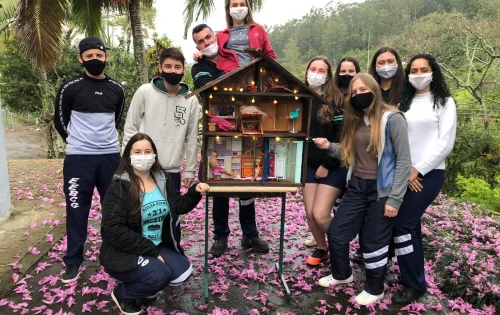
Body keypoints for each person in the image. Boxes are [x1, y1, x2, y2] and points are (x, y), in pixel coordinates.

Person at [315, 73, 411, 305]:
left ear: (374, 90)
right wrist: (329, 147)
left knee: (373, 241)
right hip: (357, 186)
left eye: (362, 90)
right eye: (354, 92)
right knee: (337, 232)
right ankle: (342, 274)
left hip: (382, 190)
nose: (358, 95)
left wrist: (395, 200)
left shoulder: (393, 119)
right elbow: (348, 155)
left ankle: (375, 288)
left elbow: (403, 161)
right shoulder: (356, 119)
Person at [100, 133, 209, 315]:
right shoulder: (120, 186)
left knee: (183, 272)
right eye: (138, 152)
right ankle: (123, 294)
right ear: (128, 156)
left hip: (154, 246)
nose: (143, 156)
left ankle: (145, 286)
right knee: (160, 276)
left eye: (147, 151)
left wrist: (195, 191)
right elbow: (113, 229)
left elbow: (177, 206)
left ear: (154, 154)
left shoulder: (161, 179)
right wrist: (151, 251)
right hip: (125, 251)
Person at [191, 24, 269, 257]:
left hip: (246, 131)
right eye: (201, 42)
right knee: (220, 187)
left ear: (216, 36)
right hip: (216, 134)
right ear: (197, 47)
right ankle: (221, 237)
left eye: (208, 37)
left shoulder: (234, 55)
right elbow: (208, 88)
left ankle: (250, 234)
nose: (206, 43)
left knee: (247, 186)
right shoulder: (199, 67)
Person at [53, 36, 124, 283]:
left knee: (113, 209)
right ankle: (73, 261)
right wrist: (78, 143)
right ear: (80, 58)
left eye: (99, 55)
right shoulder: (69, 87)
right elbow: (60, 122)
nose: (95, 59)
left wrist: (102, 144)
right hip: (78, 160)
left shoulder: (117, 88)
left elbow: (115, 120)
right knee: (76, 210)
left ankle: (112, 254)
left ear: (106, 57)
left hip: (110, 158)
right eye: (89, 56)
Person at [391, 54, 456, 304]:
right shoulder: (403, 103)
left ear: (433, 72)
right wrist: (405, 170)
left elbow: (445, 142)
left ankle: (414, 285)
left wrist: (417, 169)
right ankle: (413, 274)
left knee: (403, 226)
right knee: (412, 227)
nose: (419, 74)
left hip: (428, 174)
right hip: (404, 172)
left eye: (424, 69)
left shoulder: (444, 102)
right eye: (414, 70)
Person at [123, 47, 199, 191]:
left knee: (171, 212)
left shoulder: (191, 99)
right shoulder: (144, 92)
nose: (173, 71)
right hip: (143, 167)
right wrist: (128, 163)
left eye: (177, 67)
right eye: (168, 66)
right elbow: (131, 128)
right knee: (139, 212)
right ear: (160, 68)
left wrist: (190, 169)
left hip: (172, 170)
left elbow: (192, 137)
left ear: (183, 69)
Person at [302, 56, 347, 266]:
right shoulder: (300, 96)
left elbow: (341, 139)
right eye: (313, 69)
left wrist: (326, 165)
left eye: (322, 70)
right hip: (308, 164)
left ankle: (341, 248)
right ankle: (322, 248)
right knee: (310, 213)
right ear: (307, 71)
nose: (316, 73)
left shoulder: (336, 100)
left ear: (328, 75)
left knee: (321, 215)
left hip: (333, 164)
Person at [333, 56, 365, 263]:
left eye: (351, 71)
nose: (346, 75)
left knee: (361, 207)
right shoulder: (333, 96)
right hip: (335, 156)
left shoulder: (360, 97)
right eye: (343, 71)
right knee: (338, 206)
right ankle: (338, 244)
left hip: (359, 160)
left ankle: (363, 246)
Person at [216, 0, 276, 73]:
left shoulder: (258, 29)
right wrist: (199, 55)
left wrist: (266, 72)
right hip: (231, 76)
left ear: (247, 8)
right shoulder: (221, 35)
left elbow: (270, 54)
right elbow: (214, 56)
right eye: (234, 5)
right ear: (228, 9)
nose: (239, 8)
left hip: (256, 75)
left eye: (242, 5)